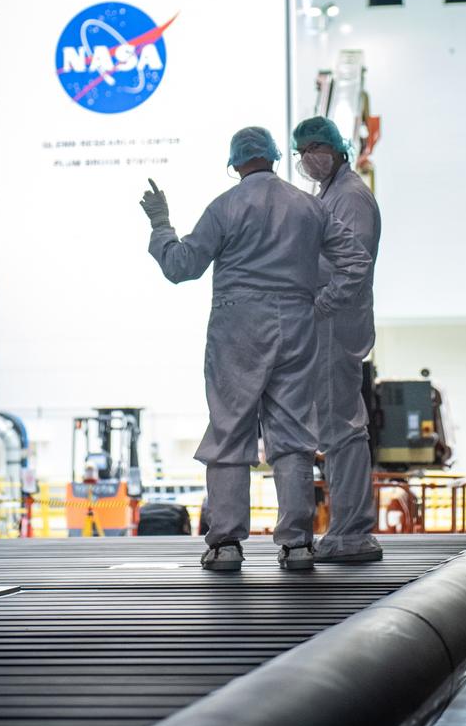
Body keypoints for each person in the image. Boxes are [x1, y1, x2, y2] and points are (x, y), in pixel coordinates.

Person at [139, 126, 371, 574]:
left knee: (230, 431)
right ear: (277, 157)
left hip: (238, 328)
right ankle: (297, 544)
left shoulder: (225, 206)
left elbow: (181, 266)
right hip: (298, 327)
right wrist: (324, 303)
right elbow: (356, 262)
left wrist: (160, 223)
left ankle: (226, 544)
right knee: (293, 437)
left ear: (234, 164)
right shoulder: (308, 206)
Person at [292, 116, 382, 564]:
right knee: (336, 427)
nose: (309, 157)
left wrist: (319, 306)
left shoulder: (350, 197)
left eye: (315, 147)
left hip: (335, 324)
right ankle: (346, 531)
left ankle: (352, 534)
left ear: (335, 147)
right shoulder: (328, 195)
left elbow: (352, 263)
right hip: (327, 323)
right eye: (302, 150)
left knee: (342, 429)